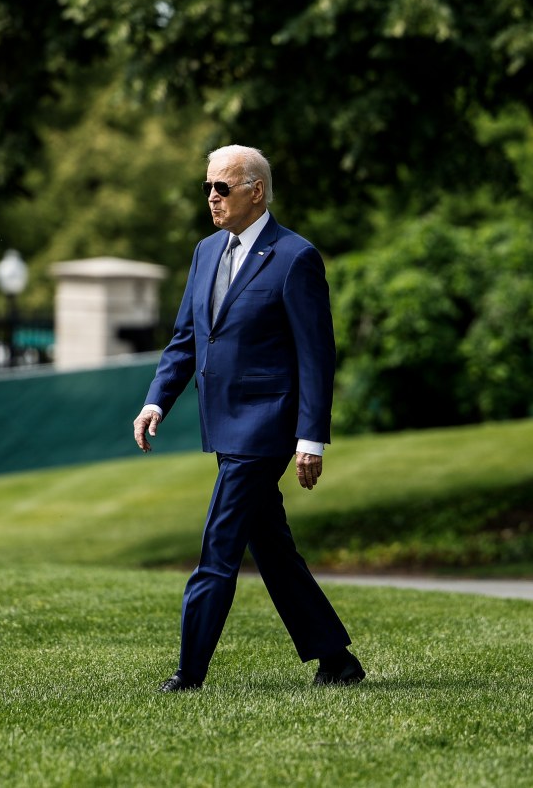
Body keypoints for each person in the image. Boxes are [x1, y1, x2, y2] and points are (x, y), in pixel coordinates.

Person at [132, 144, 363, 691]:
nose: (211, 198)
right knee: (273, 549)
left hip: (265, 426)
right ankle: (337, 660)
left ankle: (188, 675)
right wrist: (155, 400)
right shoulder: (205, 251)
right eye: (207, 187)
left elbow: (316, 355)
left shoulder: (294, 257)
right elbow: (187, 339)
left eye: (222, 188)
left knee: (218, 549)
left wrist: (311, 438)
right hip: (223, 421)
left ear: (255, 191)